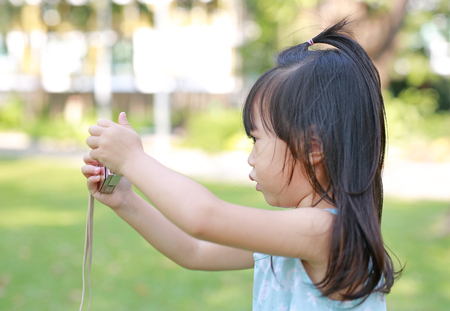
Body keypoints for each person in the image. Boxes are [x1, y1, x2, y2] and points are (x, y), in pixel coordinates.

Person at [83, 19, 400, 310]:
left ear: (312, 147)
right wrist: (125, 200)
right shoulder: (296, 231)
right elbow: (195, 251)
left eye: (257, 140)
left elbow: (203, 218)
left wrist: (134, 160)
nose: (251, 156)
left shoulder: (328, 234)